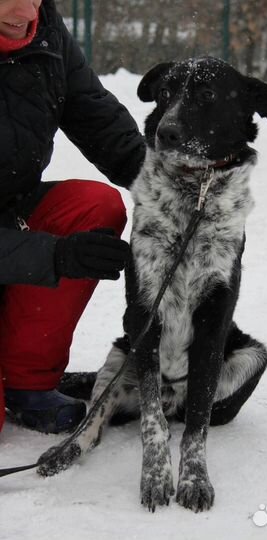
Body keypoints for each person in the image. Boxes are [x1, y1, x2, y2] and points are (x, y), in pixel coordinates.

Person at [0, 0, 146, 435]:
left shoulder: (44, 29)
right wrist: (54, 256)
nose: (27, 9)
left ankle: (26, 383)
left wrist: (167, 191)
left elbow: (94, 113)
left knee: (93, 207)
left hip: (11, 212)